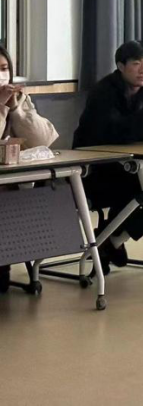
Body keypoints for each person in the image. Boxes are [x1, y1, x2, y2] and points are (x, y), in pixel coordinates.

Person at [73, 41, 143, 273]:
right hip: (96, 172)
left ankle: (112, 240)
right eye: (136, 64)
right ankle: (108, 240)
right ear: (121, 66)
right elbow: (118, 134)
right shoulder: (103, 92)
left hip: (131, 169)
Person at [0, 45, 59, 293]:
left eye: (4, 68)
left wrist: (15, 108)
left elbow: (42, 139)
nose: (2, 75)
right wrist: (0, 107)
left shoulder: (20, 98)